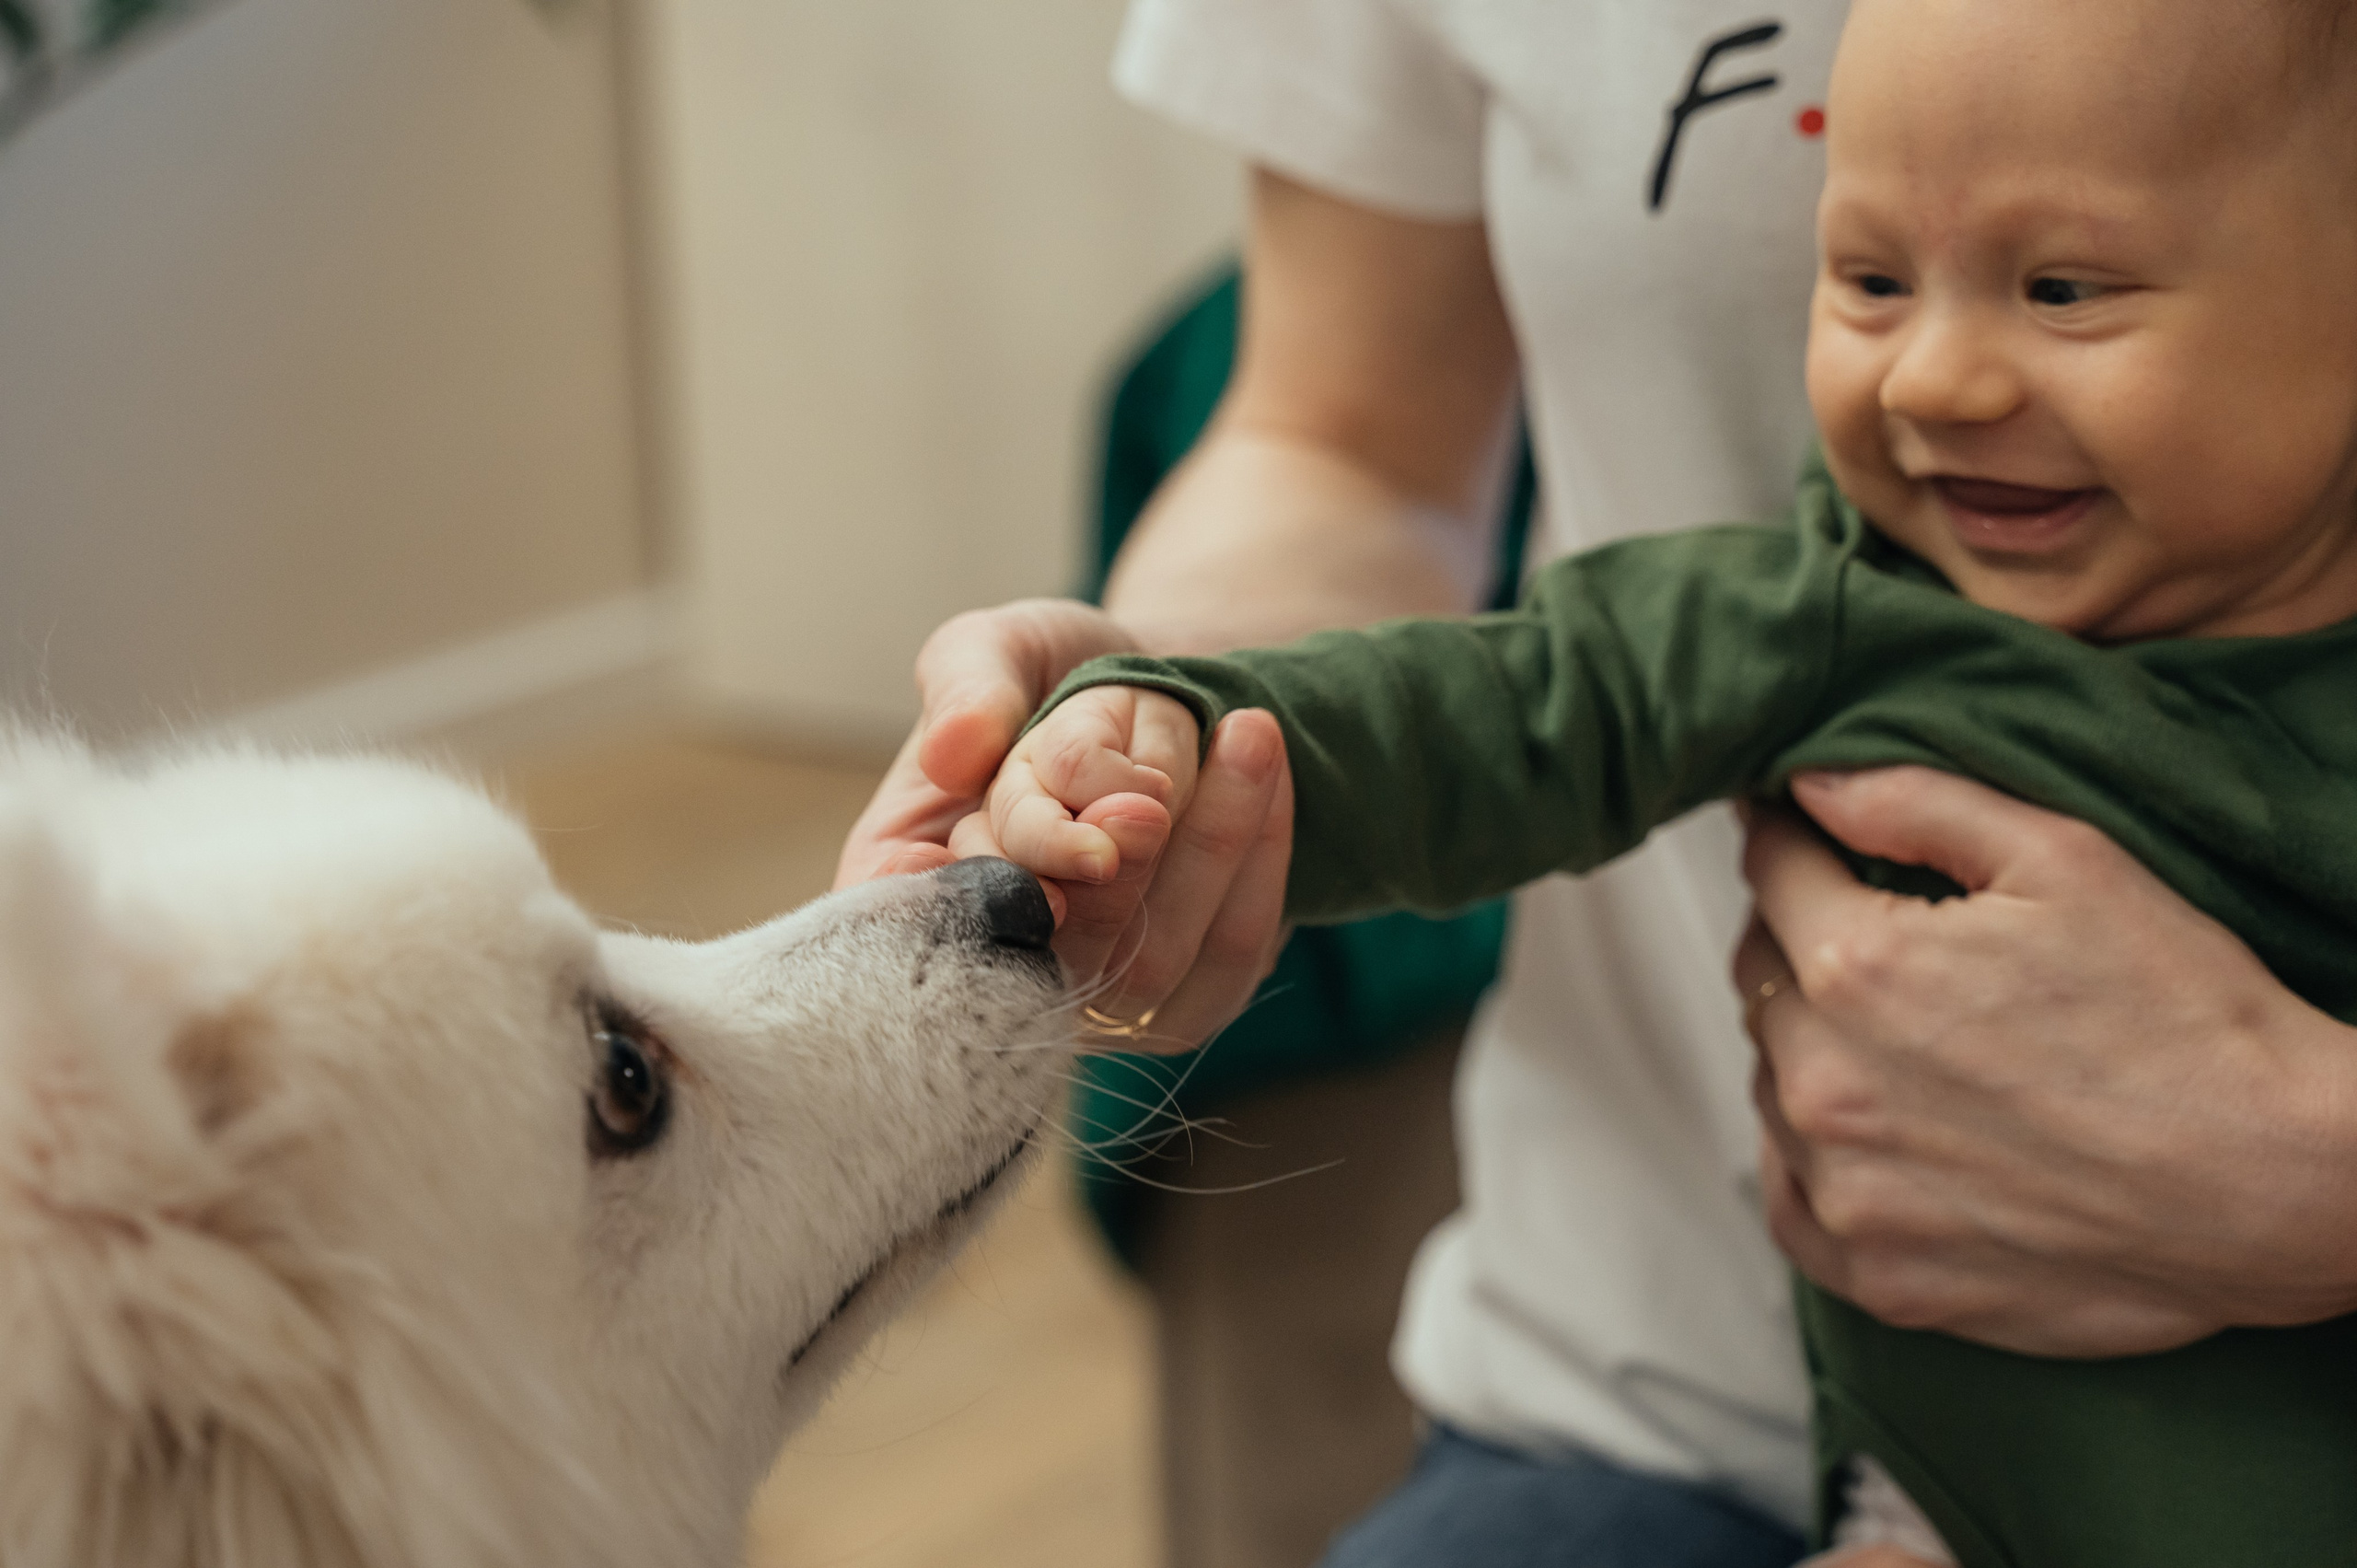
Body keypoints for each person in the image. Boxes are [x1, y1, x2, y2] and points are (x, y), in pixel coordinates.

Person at [836, 0, 2357, 1561]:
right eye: (1870, 283)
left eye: (2063, 289)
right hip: (1854, 1464)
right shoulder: (1821, 618)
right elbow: (1492, 698)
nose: (1939, 384)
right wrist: (1178, 733)